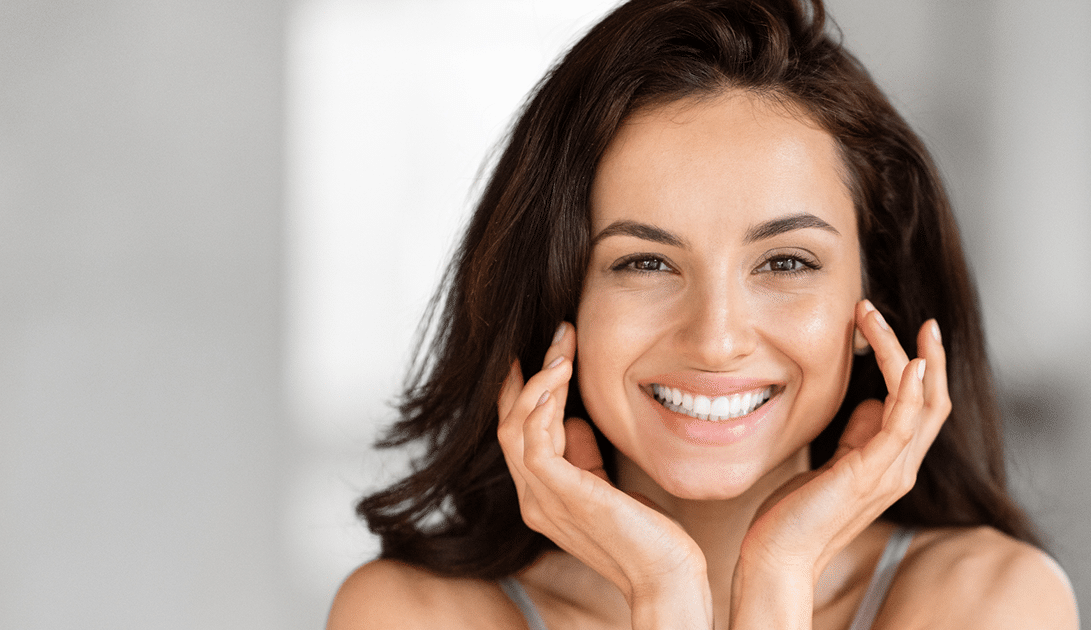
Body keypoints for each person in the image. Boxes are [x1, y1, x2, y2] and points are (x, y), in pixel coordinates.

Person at [328, 0, 1078, 627]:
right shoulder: (409, 615)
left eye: (786, 262)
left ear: (870, 299)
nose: (716, 339)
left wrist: (778, 575)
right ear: (559, 296)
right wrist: (663, 592)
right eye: (644, 263)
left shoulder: (992, 604)